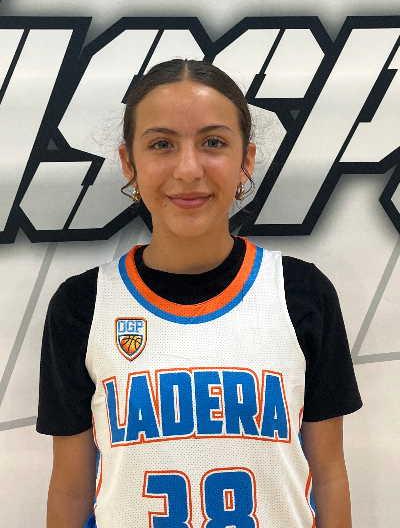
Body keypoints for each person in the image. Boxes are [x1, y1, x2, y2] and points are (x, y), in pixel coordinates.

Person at [37, 59, 362, 528]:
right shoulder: (82, 306)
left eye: (213, 143)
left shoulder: (301, 293)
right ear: (129, 162)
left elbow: (329, 475)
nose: (188, 170)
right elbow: (70, 489)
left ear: (246, 161)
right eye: (162, 144)